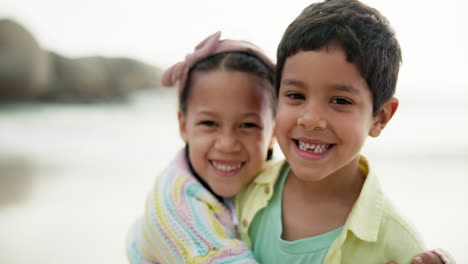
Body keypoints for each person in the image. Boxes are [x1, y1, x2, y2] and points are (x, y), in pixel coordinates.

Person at [234, 0, 456, 263]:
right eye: (295, 95)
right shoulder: (244, 187)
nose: (311, 120)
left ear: (380, 118)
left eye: (340, 101)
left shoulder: (399, 245)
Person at [126, 31, 276, 264]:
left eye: (247, 125)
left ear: (273, 133)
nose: (227, 144)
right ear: (183, 125)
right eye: (209, 123)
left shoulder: (276, 180)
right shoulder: (175, 208)